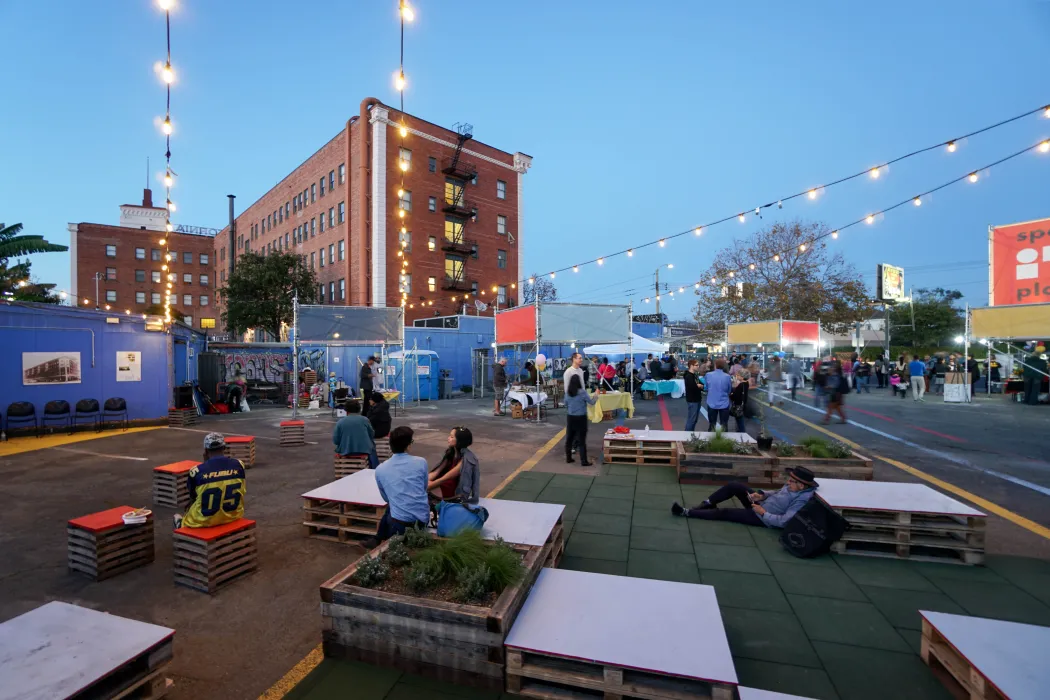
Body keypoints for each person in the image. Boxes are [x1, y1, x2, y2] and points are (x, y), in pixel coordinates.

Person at [671, 466, 818, 528]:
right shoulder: (792, 486)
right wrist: (761, 495)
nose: (788, 482)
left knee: (725, 513)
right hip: (760, 504)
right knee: (735, 485)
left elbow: (784, 522)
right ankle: (708, 503)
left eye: (792, 481)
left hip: (762, 518)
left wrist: (763, 513)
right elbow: (777, 493)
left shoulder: (802, 500)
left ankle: (686, 512)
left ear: (802, 486)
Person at [176, 433, 247, 529]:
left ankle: (181, 525)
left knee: (177, 516)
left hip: (203, 521)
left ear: (206, 450)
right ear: (224, 448)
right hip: (233, 516)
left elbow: (193, 496)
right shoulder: (239, 465)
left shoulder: (196, 471)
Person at [374, 426, 430, 541]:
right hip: (421, 520)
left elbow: (386, 498)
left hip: (399, 522)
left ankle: (379, 539)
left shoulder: (380, 469)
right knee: (394, 506)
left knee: (392, 506)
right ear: (408, 445)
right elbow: (423, 488)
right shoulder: (421, 462)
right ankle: (379, 539)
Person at [428, 427, 480, 503]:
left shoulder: (467, 459)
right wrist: (424, 480)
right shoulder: (450, 453)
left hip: (455, 491)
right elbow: (437, 471)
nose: (448, 438)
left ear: (460, 441)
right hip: (444, 484)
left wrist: (428, 486)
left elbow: (445, 478)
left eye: (452, 437)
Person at [565, 371, 597, 465]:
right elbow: (591, 403)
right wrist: (596, 395)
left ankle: (568, 458)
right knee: (582, 440)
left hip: (570, 417)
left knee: (569, 439)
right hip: (581, 418)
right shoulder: (582, 392)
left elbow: (566, 404)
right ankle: (583, 461)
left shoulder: (568, 393)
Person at [333, 401, 377, 467]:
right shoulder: (365, 420)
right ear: (359, 409)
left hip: (346, 450)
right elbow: (372, 434)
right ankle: (374, 468)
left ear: (346, 410)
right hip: (364, 450)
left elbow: (336, 440)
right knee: (372, 447)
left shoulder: (340, 422)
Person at [705, 357, 732, 430]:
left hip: (711, 402)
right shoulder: (727, 377)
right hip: (724, 403)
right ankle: (725, 440)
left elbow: (706, 388)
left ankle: (710, 440)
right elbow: (729, 390)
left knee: (712, 424)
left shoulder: (708, 375)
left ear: (715, 365)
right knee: (724, 424)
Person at [683, 359, 704, 432]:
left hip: (697, 399)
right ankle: (687, 436)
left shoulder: (694, 375)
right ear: (691, 366)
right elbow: (693, 387)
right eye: (696, 365)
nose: (698, 366)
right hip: (692, 400)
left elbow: (701, 384)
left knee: (694, 419)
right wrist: (698, 386)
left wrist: (700, 386)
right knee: (692, 419)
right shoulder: (689, 376)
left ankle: (690, 434)